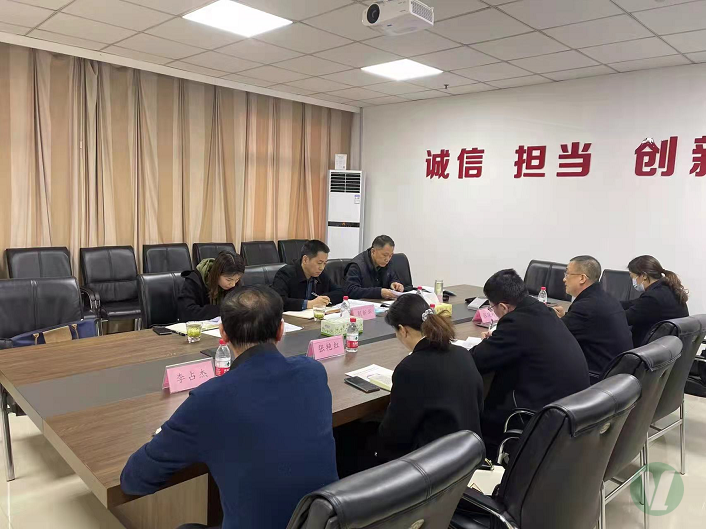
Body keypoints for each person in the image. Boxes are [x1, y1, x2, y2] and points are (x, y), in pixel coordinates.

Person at [121, 286, 338, 529]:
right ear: (280, 330)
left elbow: (135, 479)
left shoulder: (211, 398)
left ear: (222, 333)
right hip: (319, 522)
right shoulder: (313, 372)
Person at [471, 269, 589, 452]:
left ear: (503, 307)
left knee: (479, 413)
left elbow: (477, 360)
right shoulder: (541, 310)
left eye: (492, 307)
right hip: (572, 408)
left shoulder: (516, 323)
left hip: (540, 415)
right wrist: (499, 339)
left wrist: (492, 342)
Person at [552, 256, 633, 379]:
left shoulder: (586, 307)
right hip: (617, 373)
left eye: (567, 274)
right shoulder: (606, 298)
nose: (564, 279)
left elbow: (553, 335)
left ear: (582, 278)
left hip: (598, 377)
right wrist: (566, 317)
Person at [623, 255, 689, 347]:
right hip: (668, 349)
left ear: (644, 276)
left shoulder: (653, 298)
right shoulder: (667, 290)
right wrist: (611, 303)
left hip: (647, 350)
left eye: (633, 277)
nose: (633, 281)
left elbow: (623, 319)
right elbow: (635, 303)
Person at [271, 239, 343, 311]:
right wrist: (309, 304)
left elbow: (340, 292)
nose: (322, 268)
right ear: (305, 260)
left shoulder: (320, 274)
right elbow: (278, 301)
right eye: (319, 263)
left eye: (324, 263)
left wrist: (322, 299)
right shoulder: (286, 273)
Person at [179, 251, 244, 322]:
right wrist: (222, 310)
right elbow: (187, 312)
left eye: (237, 279)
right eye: (228, 280)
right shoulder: (194, 281)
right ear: (217, 274)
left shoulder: (234, 282)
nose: (233, 284)